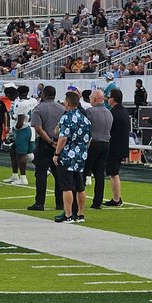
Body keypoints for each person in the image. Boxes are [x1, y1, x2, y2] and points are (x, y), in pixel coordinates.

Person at [53, 90, 91, 223]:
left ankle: (68, 214)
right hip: (81, 155)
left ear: (67, 103)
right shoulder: (85, 119)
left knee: (67, 186)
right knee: (80, 186)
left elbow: (63, 138)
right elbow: (89, 139)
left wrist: (56, 153)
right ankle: (80, 214)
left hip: (68, 156)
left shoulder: (66, 117)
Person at [29, 85, 66, 212]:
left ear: (43, 94)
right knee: (59, 174)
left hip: (45, 143)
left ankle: (40, 203)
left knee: (41, 174)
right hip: (59, 143)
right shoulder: (62, 108)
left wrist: (49, 141)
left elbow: (38, 128)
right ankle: (60, 203)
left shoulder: (38, 109)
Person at [83, 90, 113, 209]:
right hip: (105, 143)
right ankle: (98, 202)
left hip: (93, 143)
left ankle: (78, 198)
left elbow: (85, 129)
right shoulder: (109, 113)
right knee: (100, 174)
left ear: (94, 99)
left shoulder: (90, 112)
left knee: (84, 172)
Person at [6, 85, 38, 186]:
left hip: (22, 129)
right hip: (30, 127)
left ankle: (23, 177)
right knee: (15, 152)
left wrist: (13, 130)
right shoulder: (33, 100)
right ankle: (15, 175)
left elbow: (20, 121)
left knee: (22, 154)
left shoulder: (20, 103)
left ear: (18, 93)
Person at [103, 89, 130, 207]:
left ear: (113, 99)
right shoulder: (124, 111)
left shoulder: (113, 113)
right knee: (114, 173)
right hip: (122, 145)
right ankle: (117, 198)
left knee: (113, 174)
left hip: (114, 147)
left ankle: (116, 198)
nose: (108, 99)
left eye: (109, 97)